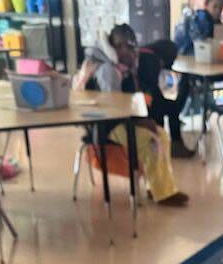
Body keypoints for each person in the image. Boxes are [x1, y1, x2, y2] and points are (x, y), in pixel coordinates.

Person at [75, 25, 189, 205]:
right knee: (152, 141)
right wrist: (140, 122)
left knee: (162, 136)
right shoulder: (108, 70)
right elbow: (113, 109)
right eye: (126, 47)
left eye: (132, 47)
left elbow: (130, 100)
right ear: (116, 47)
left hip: (123, 121)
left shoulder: (122, 67)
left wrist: (144, 119)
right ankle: (163, 193)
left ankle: (158, 188)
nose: (131, 52)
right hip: (107, 127)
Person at [173, 0, 223, 115]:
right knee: (187, 82)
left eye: (221, 8)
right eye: (215, 7)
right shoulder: (200, 19)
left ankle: (177, 114)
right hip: (189, 60)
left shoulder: (217, 24)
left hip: (203, 64)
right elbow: (200, 43)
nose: (218, 11)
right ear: (206, 5)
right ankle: (177, 113)